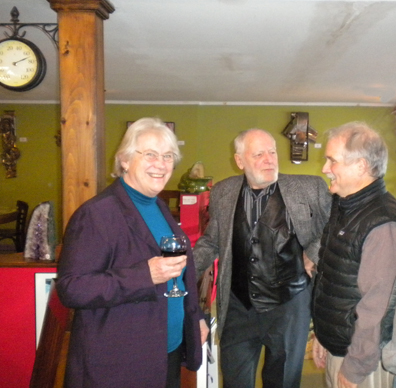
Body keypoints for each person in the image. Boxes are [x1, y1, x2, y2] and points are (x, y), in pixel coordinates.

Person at [56, 118, 209, 388]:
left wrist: (193, 316)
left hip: (165, 352)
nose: (161, 164)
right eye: (149, 154)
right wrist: (144, 275)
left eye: (168, 156)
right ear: (124, 160)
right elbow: (72, 288)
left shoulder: (158, 207)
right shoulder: (97, 214)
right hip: (120, 363)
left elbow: (177, 275)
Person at [193, 128, 331, 388]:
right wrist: (182, 269)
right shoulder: (223, 192)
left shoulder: (309, 188)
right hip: (238, 308)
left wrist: (312, 255)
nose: (269, 159)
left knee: (282, 382)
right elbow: (211, 241)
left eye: (272, 152)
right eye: (259, 154)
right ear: (240, 161)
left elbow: (334, 226)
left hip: (289, 306)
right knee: (234, 381)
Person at [312, 121, 396, 388]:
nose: (325, 169)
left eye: (331, 161)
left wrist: (356, 367)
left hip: (363, 360)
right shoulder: (344, 204)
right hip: (340, 346)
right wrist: (322, 337)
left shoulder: (382, 223)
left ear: (360, 166)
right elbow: (333, 280)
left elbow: (377, 309)